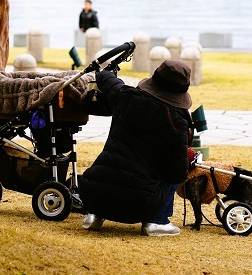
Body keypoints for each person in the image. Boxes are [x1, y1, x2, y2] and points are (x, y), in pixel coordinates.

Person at [78, 60, 191, 236]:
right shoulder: (177, 122)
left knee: (111, 167)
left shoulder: (125, 96)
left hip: (93, 194)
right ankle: (156, 222)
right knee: (174, 169)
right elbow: (177, 173)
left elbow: (106, 79)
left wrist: (106, 72)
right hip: (140, 204)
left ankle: (94, 216)